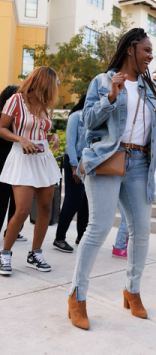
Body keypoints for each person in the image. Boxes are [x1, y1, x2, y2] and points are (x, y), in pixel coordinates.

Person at [67, 28, 156, 330]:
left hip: (140, 163)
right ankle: (77, 297)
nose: (150, 56)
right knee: (99, 228)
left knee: (141, 231)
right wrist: (111, 96)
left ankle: (132, 291)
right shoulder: (103, 81)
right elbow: (87, 121)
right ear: (131, 48)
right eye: (146, 50)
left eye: (151, 51)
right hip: (108, 158)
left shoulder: (150, 88)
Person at [0, 68, 61, 276]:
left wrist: (52, 137)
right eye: (53, 85)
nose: (55, 90)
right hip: (22, 158)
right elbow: (2, 128)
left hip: (43, 159)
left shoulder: (43, 104)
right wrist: (20, 139)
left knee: (45, 209)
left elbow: (41, 130)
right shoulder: (16, 100)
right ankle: (5, 254)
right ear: (43, 82)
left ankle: (35, 254)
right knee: (23, 210)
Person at [53, 95, 90, 253]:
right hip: (75, 161)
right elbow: (70, 143)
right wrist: (75, 167)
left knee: (85, 202)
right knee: (73, 200)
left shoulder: (95, 118)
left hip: (89, 163)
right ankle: (59, 238)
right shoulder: (76, 116)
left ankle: (81, 237)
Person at [0, 85, 25, 245]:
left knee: (17, 202)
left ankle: (12, 231)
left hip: (17, 164)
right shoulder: (5, 119)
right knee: (4, 201)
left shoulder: (20, 119)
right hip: (4, 164)